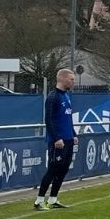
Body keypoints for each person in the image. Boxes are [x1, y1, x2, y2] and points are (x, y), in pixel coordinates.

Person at [35, 69, 77, 210]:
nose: (73, 82)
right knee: (53, 169)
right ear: (62, 79)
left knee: (63, 169)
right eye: (71, 79)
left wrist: (73, 134)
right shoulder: (53, 97)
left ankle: (53, 199)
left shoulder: (66, 96)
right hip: (58, 141)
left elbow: (68, 118)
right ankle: (39, 200)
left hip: (68, 139)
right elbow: (49, 119)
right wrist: (57, 138)